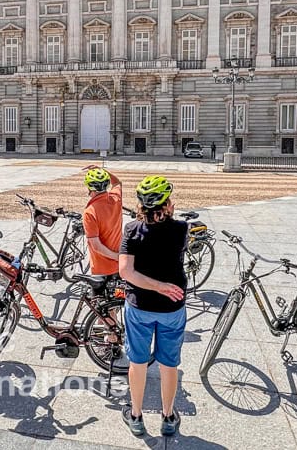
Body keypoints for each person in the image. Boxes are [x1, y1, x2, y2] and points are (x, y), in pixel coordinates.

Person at [119, 175, 187, 438]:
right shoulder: (181, 229)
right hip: (172, 307)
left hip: (139, 306)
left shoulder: (131, 230)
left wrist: (154, 286)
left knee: (137, 362)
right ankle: (168, 416)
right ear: (167, 203)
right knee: (169, 364)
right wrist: (163, 287)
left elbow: (126, 271)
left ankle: (136, 416)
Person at [82, 167, 122, 277]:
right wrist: (103, 170)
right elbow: (117, 183)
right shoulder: (116, 199)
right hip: (121, 265)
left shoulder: (90, 212)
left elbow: (96, 246)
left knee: (98, 294)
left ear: (89, 188)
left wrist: (116, 256)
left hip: (102, 268)